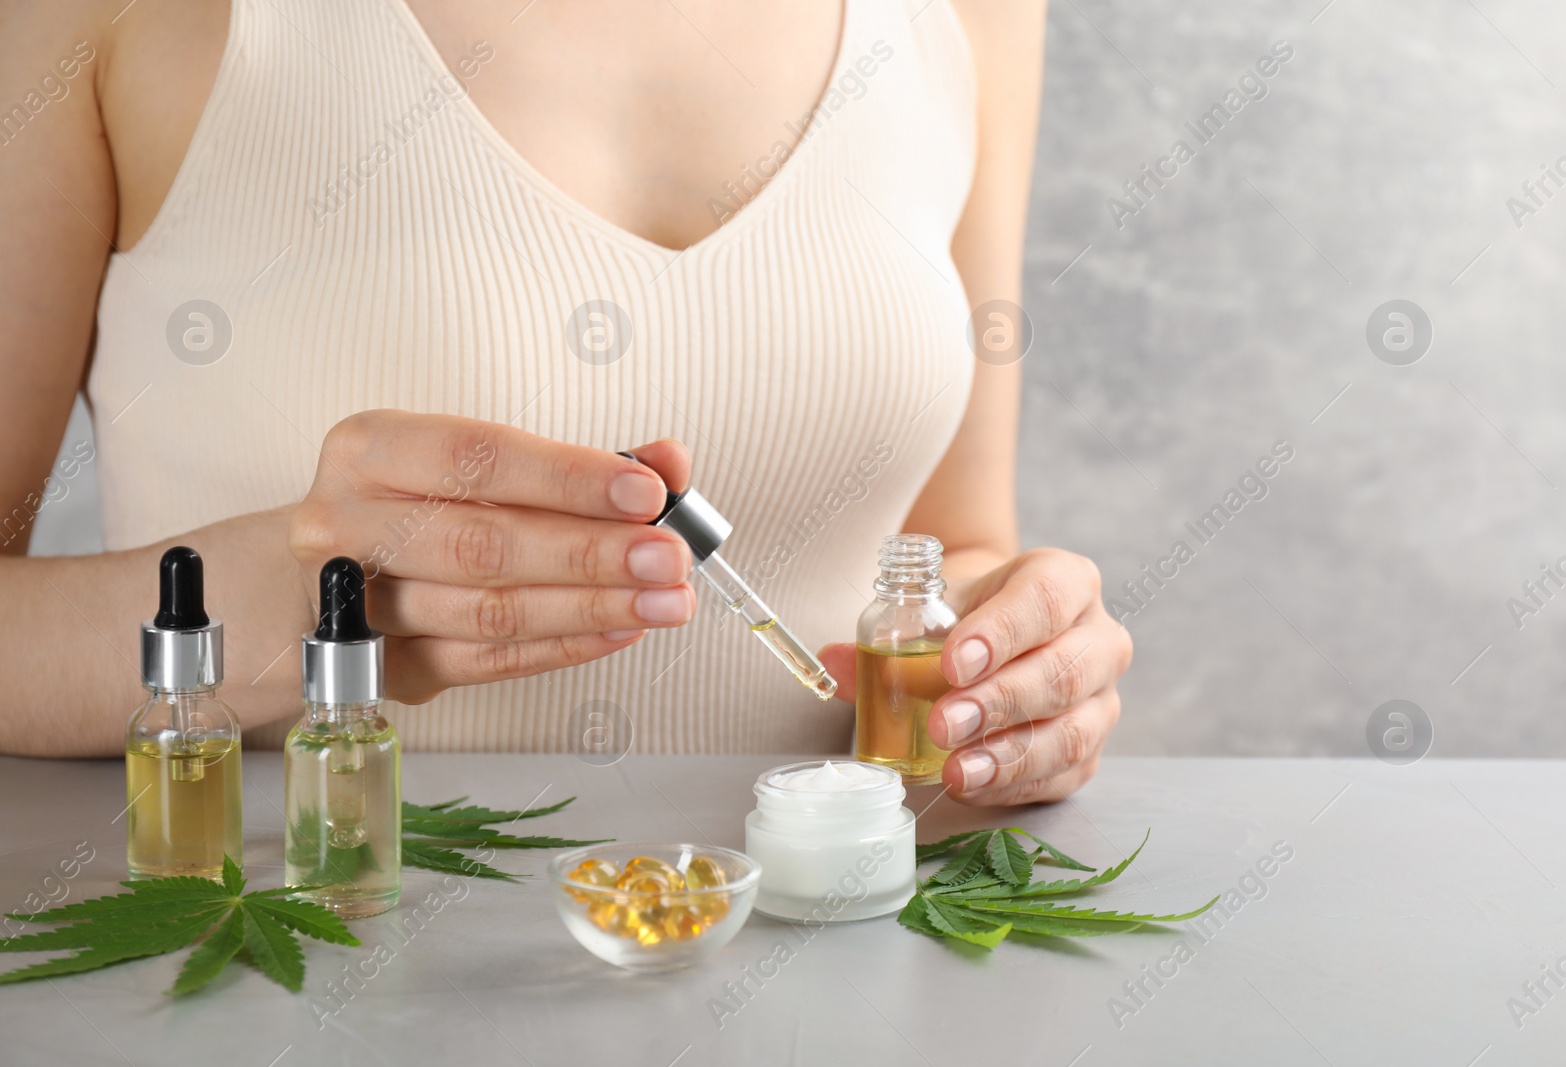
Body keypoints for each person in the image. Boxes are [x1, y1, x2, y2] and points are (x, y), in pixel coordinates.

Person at [0, 0, 1130, 805]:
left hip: (823, 949)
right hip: (305, 937)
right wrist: (296, 594)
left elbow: (957, 546)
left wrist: (1015, 664)